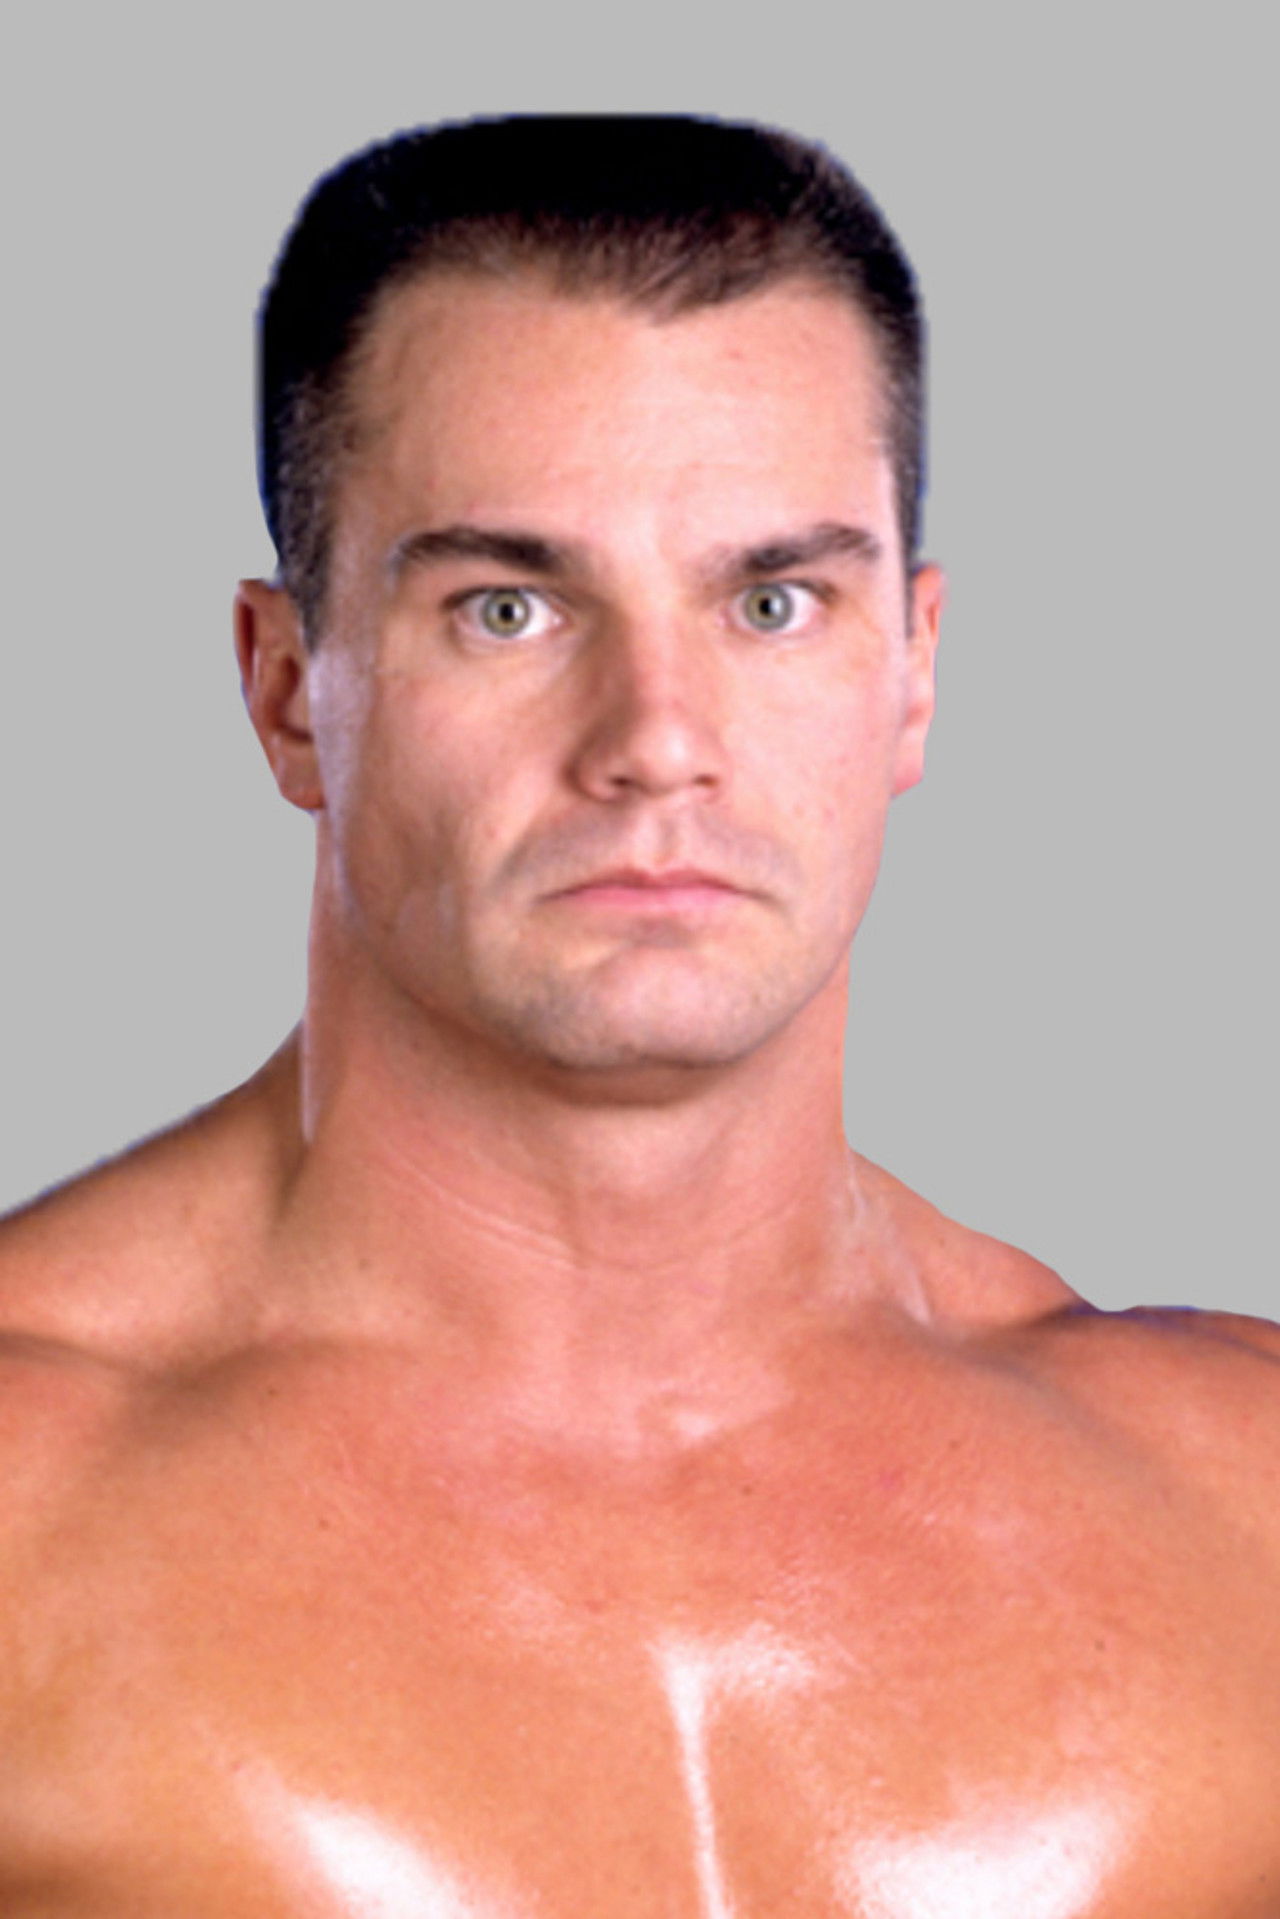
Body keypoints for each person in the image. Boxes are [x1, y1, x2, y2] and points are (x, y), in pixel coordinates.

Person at [0, 113, 1276, 1917]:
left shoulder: (1239, 1508)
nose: (657, 739)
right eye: (509, 609)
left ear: (913, 671)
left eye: (773, 601)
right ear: (289, 691)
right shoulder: (30, 1506)